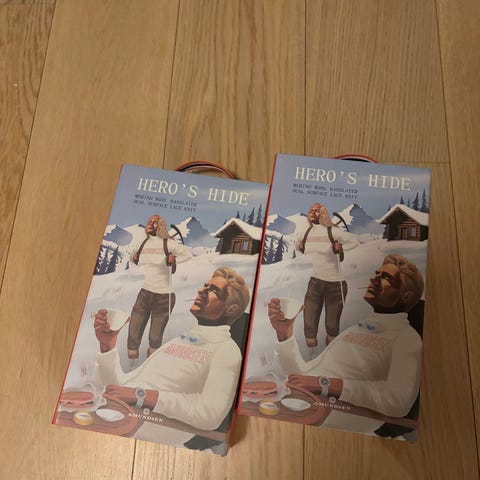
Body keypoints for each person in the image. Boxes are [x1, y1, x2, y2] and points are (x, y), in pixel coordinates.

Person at [94, 267, 250, 446]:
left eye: (213, 290)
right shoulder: (180, 341)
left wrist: (142, 396)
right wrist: (107, 346)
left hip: (143, 438)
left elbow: (210, 414)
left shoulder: (226, 350)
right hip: (117, 421)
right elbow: (120, 389)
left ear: (231, 309)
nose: (202, 291)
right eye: (205, 286)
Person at [268, 254, 423, 429]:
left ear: (406, 295)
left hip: (334, 421)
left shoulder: (407, 338)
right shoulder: (355, 330)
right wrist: (284, 334)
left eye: (385, 277)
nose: (373, 279)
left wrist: (326, 385)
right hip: (304, 405)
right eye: (377, 273)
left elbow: (397, 402)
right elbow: (304, 376)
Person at [127, 214, 192, 360]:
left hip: (164, 296)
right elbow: (133, 256)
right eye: (150, 221)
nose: (150, 224)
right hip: (145, 293)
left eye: (155, 222)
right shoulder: (143, 243)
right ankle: (131, 365)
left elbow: (187, 255)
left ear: (161, 225)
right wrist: (134, 257)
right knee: (133, 334)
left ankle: (150, 365)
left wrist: (173, 260)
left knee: (155, 338)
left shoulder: (168, 243)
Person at [296, 203, 358, 347]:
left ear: (323, 213)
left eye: (317, 211)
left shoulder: (333, 231)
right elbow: (298, 243)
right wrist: (299, 246)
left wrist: (341, 248)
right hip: (315, 282)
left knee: (332, 325)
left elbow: (354, 242)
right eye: (311, 210)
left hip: (335, 284)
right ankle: (311, 353)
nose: (313, 213)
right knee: (309, 322)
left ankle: (330, 353)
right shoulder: (307, 231)